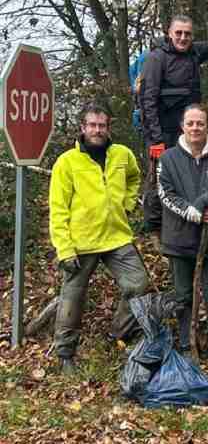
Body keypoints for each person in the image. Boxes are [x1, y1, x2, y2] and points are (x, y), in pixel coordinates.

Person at [48, 103, 149, 374]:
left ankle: (117, 334)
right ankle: (65, 353)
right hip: (81, 242)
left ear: (108, 127)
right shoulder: (66, 163)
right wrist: (64, 249)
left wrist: (127, 205)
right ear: (82, 128)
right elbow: (58, 209)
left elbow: (134, 178)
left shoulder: (122, 154)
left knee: (138, 284)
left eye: (101, 125)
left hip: (117, 236)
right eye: (92, 125)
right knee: (72, 297)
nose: (97, 130)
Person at [157, 104, 208, 360]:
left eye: (200, 123)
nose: (195, 128)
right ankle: (187, 347)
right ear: (182, 126)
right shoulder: (168, 159)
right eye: (190, 123)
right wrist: (186, 211)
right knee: (183, 297)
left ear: (207, 125)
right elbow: (165, 193)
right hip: (179, 240)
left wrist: (200, 206)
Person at [139, 14, 208, 236]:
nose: (182, 37)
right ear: (169, 33)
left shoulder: (194, 53)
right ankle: (153, 229)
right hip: (162, 132)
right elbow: (147, 100)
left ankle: (179, 226)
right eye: (178, 33)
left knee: (183, 179)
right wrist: (155, 139)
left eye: (187, 34)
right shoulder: (157, 58)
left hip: (188, 133)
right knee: (158, 179)